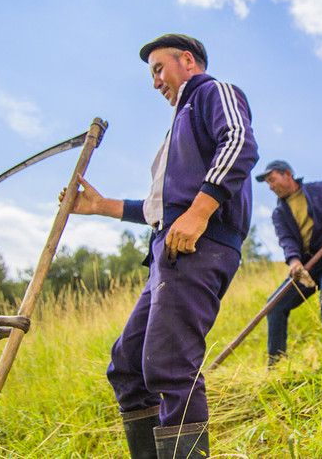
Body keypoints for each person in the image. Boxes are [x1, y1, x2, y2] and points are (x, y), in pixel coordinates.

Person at [60, 34, 258, 459]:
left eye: (157, 69)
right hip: (167, 253)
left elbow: (239, 144)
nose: (154, 83)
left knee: (169, 364)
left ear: (187, 60)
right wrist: (101, 206)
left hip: (199, 248)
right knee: (129, 365)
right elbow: (162, 209)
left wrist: (200, 212)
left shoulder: (213, 92)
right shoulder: (179, 128)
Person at [256, 160, 322, 365]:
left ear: (288, 174)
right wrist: (294, 261)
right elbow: (287, 241)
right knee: (274, 305)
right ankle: (276, 366)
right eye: (267, 183)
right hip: (307, 267)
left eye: (272, 180)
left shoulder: (320, 190)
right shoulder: (279, 213)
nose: (270, 186)